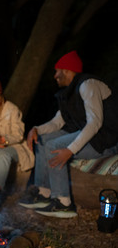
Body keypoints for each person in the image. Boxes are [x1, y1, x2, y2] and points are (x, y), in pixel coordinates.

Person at [19, 51, 118, 218]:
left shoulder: (88, 85)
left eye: (57, 71)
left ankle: (63, 203)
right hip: (93, 137)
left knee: (54, 145)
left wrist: (70, 150)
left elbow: (95, 123)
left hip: (106, 140)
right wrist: (36, 129)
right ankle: (43, 193)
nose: (55, 76)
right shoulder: (68, 93)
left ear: (67, 70)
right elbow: (58, 122)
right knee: (43, 139)